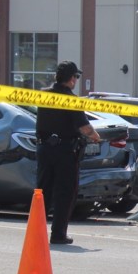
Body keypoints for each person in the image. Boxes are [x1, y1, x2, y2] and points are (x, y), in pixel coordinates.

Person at [35, 61, 101, 246]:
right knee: (65, 194)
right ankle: (58, 235)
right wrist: (97, 137)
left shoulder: (43, 94)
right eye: (76, 77)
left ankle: (36, 233)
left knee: (42, 193)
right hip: (64, 151)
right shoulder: (71, 100)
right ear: (71, 78)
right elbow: (85, 127)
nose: (76, 81)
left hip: (44, 149)